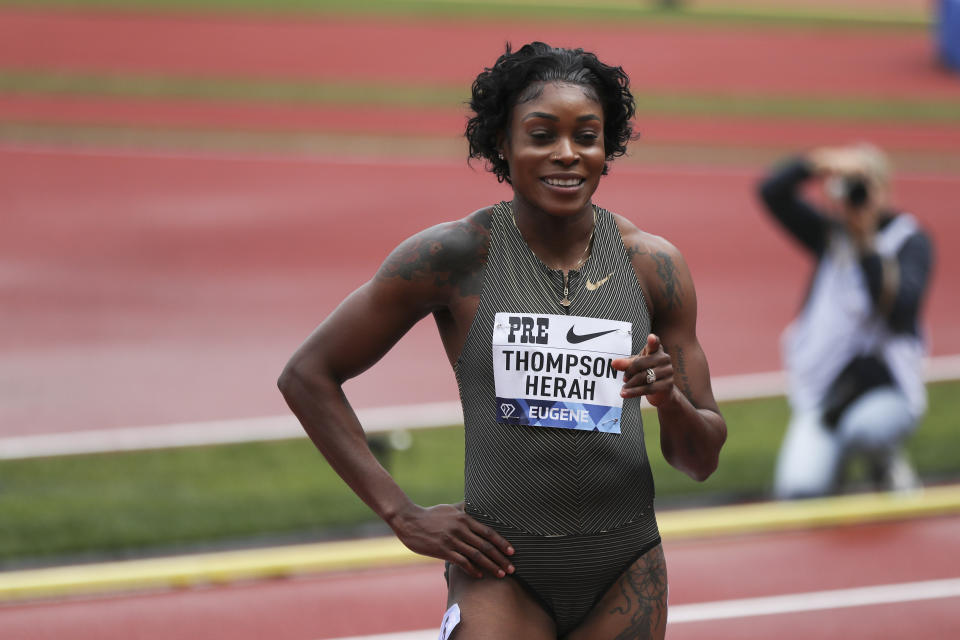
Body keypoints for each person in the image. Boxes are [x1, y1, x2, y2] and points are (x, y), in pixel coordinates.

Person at [278, 42, 727, 639]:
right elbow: (307, 374)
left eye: (586, 136)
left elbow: (700, 459)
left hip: (626, 567)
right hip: (501, 567)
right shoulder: (455, 257)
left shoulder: (654, 267)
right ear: (502, 145)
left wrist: (669, 402)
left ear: (606, 147)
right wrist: (401, 514)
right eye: (542, 135)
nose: (566, 154)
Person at [757, 144, 934, 500]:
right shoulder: (830, 235)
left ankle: (883, 459)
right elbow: (771, 193)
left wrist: (866, 241)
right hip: (826, 395)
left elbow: (900, 310)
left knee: (863, 429)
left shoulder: (911, 240)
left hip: (888, 389)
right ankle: (836, 473)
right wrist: (817, 164)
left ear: (885, 188)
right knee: (798, 493)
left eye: (864, 186)